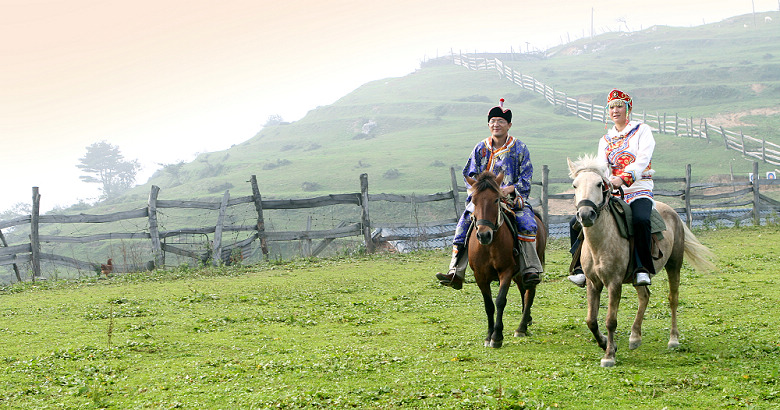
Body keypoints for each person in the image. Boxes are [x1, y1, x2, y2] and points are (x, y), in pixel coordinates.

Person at [436, 99, 543, 290]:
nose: (496, 124)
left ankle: (530, 268)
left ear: (509, 125)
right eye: (493, 121)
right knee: (462, 226)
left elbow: (526, 176)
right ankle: (455, 272)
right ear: (488, 125)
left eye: (500, 121)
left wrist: (509, 189)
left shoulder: (520, 148)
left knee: (528, 223)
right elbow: (468, 174)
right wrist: (480, 190)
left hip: (510, 198)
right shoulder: (480, 148)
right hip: (484, 200)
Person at [568, 89, 656, 287]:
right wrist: (604, 180)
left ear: (628, 109)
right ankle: (579, 268)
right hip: (613, 192)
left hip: (639, 188)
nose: (615, 110)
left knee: (641, 220)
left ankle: (642, 268)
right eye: (611, 107)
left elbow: (643, 159)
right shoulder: (605, 140)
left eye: (619, 106)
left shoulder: (642, 131)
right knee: (576, 221)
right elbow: (602, 166)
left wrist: (624, 178)